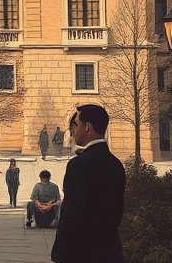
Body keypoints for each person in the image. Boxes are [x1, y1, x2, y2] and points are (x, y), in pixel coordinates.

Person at [51, 104, 126, 263]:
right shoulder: (116, 164)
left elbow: (73, 213)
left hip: (82, 252)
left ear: (88, 128)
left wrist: (60, 252)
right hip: (110, 250)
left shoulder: (78, 165)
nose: (73, 130)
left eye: (75, 124)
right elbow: (117, 211)